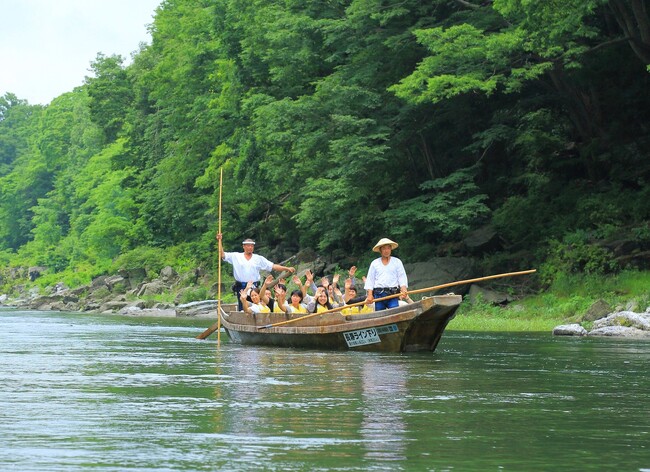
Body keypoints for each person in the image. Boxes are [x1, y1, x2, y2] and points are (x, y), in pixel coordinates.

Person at [217, 233, 296, 310]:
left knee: (256, 305)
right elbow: (223, 255)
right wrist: (219, 241)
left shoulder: (258, 258)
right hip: (241, 286)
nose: (250, 247)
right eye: (248, 246)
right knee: (243, 305)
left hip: (254, 287)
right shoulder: (236, 256)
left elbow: (273, 266)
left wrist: (286, 268)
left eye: (252, 246)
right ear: (244, 246)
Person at [364, 237, 408, 311]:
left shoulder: (397, 262)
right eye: (384, 248)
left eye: (388, 248)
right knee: (380, 314)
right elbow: (370, 280)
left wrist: (403, 289)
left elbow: (402, 277)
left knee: (394, 312)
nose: (386, 251)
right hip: (379, 294)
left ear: (391, 249)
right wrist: (370, 295)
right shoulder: (374, 263)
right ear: (380, 250)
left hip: (393, 294)